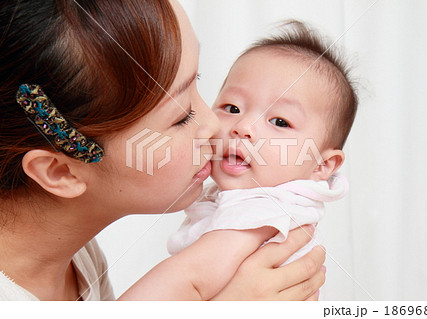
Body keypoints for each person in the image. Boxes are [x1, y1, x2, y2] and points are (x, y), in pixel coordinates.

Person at [0, 0, 325, 300]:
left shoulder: (75, 259)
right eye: (182, 117)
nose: (214, 124)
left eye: (197, 81)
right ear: (61, 172)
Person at [119, 20, 356, 301]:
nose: (243, 126)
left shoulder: (265, 212)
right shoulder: (244, 200)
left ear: (321, 165)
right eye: (232, 108)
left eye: (279, 121)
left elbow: (188, 279)